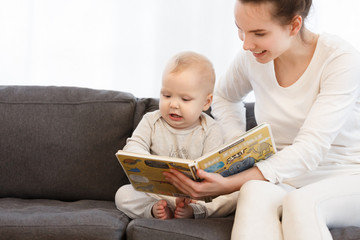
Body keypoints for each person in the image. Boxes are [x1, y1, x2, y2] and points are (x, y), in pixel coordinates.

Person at [164, 0, 360, 239]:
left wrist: (230, 183)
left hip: (347, 177)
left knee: (300, 203)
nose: (246, 44)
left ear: (294, 25)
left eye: (259, 33)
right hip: (285, 178)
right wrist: (238, 146)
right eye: (241, 29)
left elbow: (311, 148)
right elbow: (224, 96)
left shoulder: (340, 59)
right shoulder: (253, 58)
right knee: (254, 192)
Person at [115, 51, 238, 220]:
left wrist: (196, 195)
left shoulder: (211, 129)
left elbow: (213, 169)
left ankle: (195, 212)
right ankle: (154, 211)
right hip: (158, 194)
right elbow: (134, 145)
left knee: (234, 195)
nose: (173, 104)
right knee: (123, 194)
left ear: (206, 102)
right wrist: (146, 161)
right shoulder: (151, 121)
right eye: (166, 95)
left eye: (185, 99)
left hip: (196, 196)